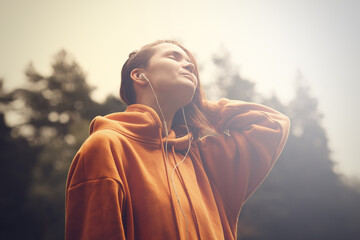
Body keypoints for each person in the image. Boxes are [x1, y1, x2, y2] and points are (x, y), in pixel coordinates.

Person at [65, 40, 290, 240]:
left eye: (191, 63)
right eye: (173, 56)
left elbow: (272, 124)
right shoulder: (107, 147)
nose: (190, 65)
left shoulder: (204, 161)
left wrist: (199, 107)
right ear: (139, 75)